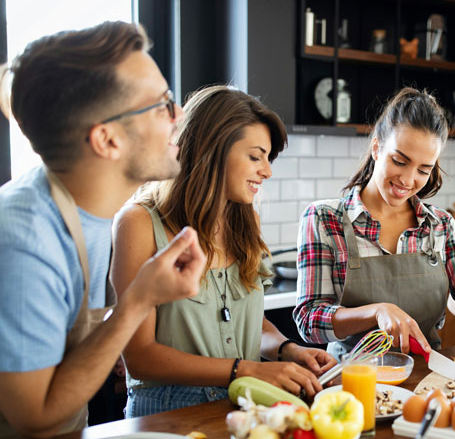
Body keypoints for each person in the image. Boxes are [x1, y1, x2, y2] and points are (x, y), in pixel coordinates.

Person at [0, 22, 207, 439]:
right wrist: (139, 300)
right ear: (107, 139)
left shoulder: (92, 212)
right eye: (162, 104)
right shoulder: (24, 239)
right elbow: (35, 416)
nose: (180, 115)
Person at [111, 85, 337, 417]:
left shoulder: (247, 223)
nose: (267, 171)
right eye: (255, 156)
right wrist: (245, 369)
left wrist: (287, 350)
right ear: (213, 148)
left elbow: (251, 325)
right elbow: (140, 356)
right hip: (165, 415)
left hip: (243, 407)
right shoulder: (139, 223)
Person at [293, 87, 455, 376]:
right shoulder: (324, 220)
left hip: (428, 383)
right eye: (400, 161)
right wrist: (377, 312)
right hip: (350, 385)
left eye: (423, 170)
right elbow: (309, 321)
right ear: (376, 148)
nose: (408, 179)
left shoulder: (439, 225)